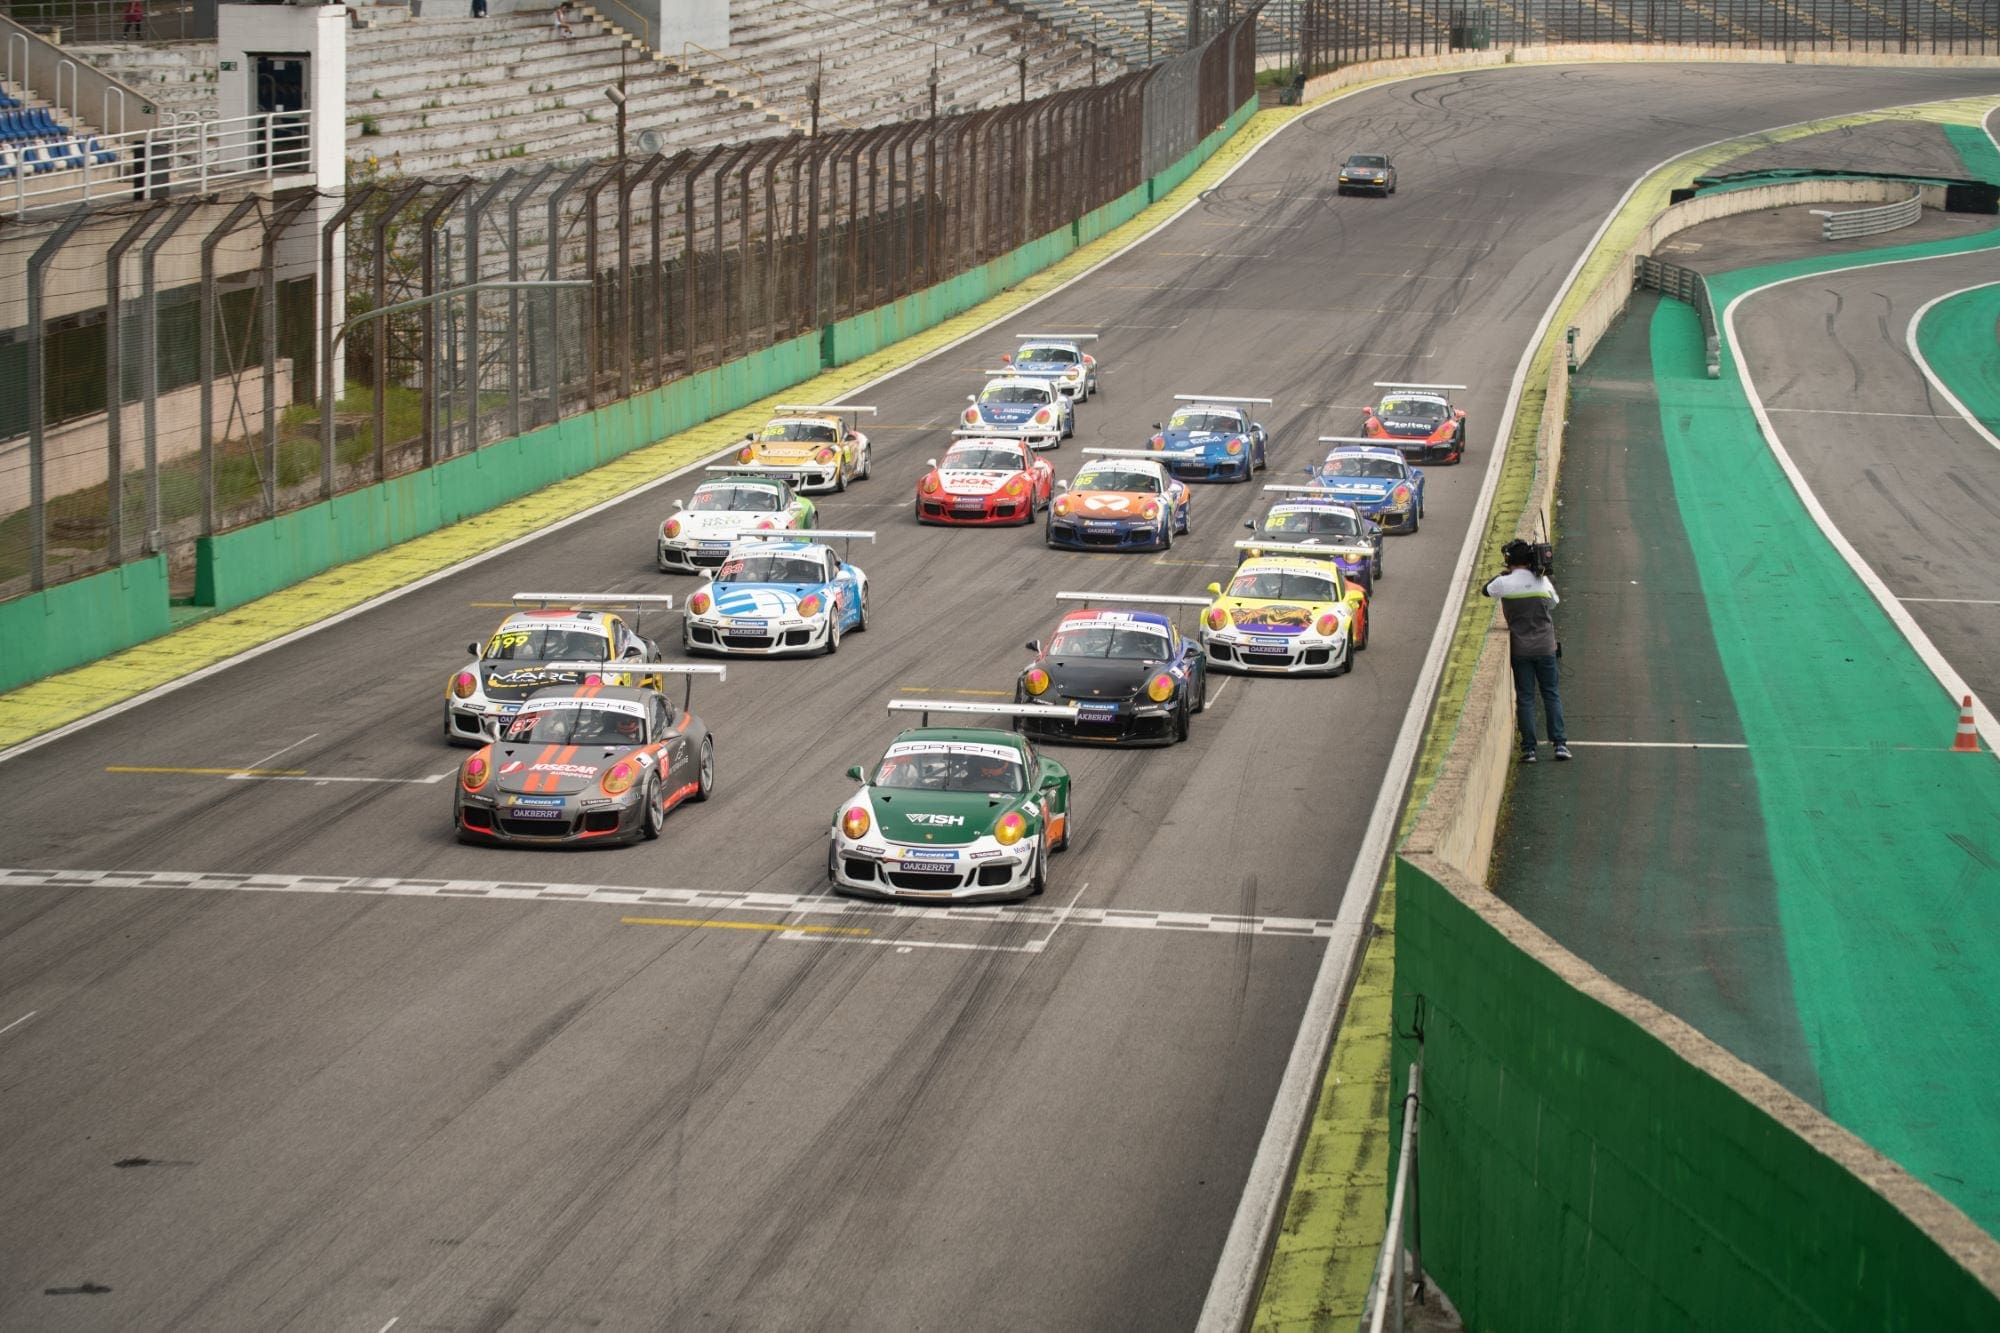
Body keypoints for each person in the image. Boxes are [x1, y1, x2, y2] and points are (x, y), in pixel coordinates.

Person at [1482, 538, 1568, 763]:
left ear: (1509, 560)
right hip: (1546, 647)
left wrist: (1503, 575)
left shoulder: (1503, 583)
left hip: (1521, 649)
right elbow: (1554, 603)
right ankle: (1560, 744)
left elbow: (1485, 590)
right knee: (1551, 694)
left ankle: (1529, 749)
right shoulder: (1542, 582)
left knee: (1526, 698)